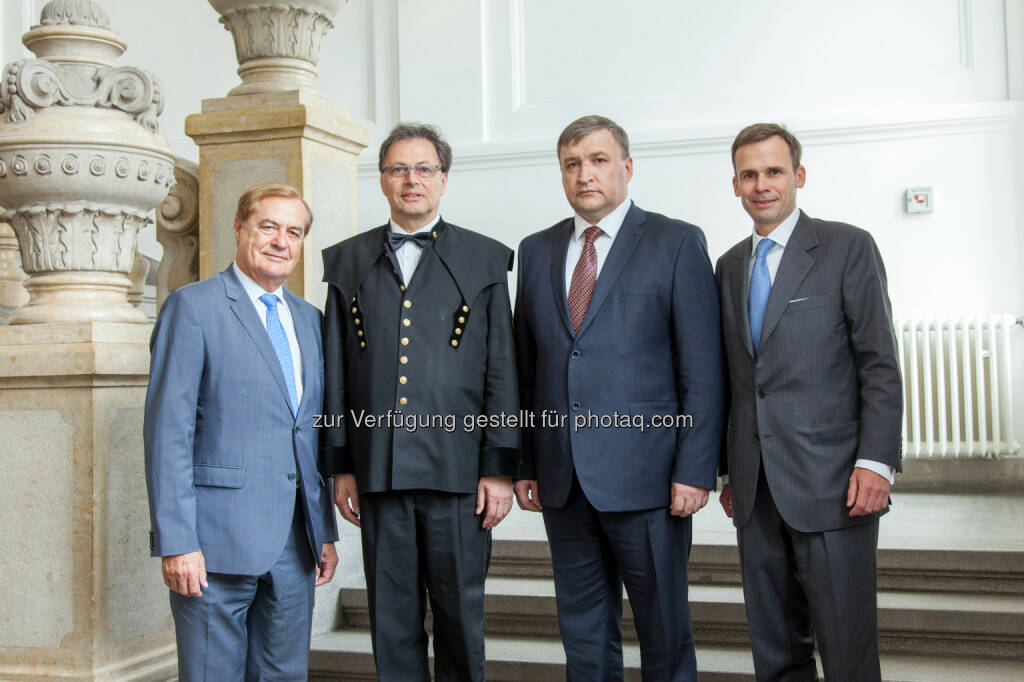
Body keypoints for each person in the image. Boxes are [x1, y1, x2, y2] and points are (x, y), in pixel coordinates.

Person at [513, 114, 726, 681]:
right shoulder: (535, 251)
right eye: (572, 163)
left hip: (651, 479)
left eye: (599, 160)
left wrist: (696, 468)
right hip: (563, 480)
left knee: (663, 629)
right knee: (582, 632)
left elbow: (701, 370)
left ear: (626, 168)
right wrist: (529, 462)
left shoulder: (676, 241)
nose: (586, 174)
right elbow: (528, 370)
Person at [321, 123, 519, 682]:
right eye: (398, 169)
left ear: (444, 179)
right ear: (382, 180)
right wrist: (340, 466)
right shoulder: (344, 263)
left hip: (459, 476)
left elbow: (501, 370)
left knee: (460, 617)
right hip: (378, 472)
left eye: (424, 169)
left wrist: (499, 469)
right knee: (392, 619)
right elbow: (335, 376)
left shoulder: (485, 259)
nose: (412, 180)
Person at [716, 123, 902, 682]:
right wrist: (728, 472)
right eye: (749, 174)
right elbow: (733, 379)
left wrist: (876, 461)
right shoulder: (728, 268)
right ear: (735, 185)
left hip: (835, 482)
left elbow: (879, 363)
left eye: (773, 171)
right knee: (775, 651)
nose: (762, 185)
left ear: (798, 176)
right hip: (755, 491)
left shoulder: (847, 247)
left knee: (846, 648)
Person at [144, 183, 339, 680]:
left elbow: (310, 435)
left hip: (295, 547)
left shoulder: (310, 321)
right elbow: (168, 434)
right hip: (213, 546)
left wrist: (324, 532)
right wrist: (177, 542)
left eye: (293, 231)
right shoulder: (194, 308)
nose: (280, 241)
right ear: (239, 228)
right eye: (268, 226)